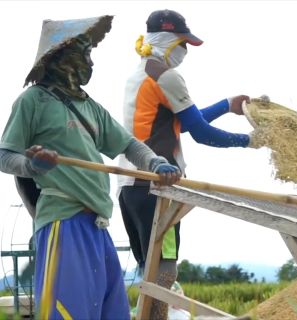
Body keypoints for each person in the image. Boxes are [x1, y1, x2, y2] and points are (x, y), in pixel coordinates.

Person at [0, 15, 181, 319]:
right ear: (60, 59)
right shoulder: (32, 101)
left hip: (97, 224)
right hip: (63, 222)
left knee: (112, 311)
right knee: (69, 312)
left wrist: (155, 162)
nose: (90, 63)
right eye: (83, 55)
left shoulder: (90, 106)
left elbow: (127, 145)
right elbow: (5, 155)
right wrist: (32, 164)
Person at [117, 9, 261, 319]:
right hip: (159, 185)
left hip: (130, 187)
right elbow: (201, 133)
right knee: (164, 270)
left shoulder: (140, 73)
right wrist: (249, 140)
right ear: (168, 40)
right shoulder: (166, 75)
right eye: (182, 43)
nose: (184, 51)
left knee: (149, 269)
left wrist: (226, 106)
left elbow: (179, 123)